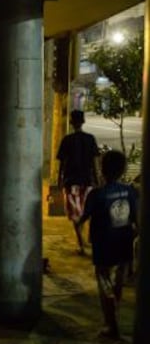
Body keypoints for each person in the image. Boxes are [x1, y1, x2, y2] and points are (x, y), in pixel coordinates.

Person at [77, 150, 138, 340]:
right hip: (124, 241)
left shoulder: (96, 194)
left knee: (103, 279)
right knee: (119, 278)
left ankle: (110, 323)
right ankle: (114, 316)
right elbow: (136, 219)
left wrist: (79, 229)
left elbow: (83, 218)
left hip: (104, 244)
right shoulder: (129, 191)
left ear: (102, 169)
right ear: (122, 170)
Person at [56, 109, 100, 255]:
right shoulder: (90, 139)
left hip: (71, 181)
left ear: (71, 122)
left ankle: (81, 243)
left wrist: (59, 180)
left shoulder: (66, 140)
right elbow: (95, 163)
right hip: (87, 181)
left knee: (75, 214)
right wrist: (97, 181)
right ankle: (83, 242)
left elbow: (62, 163)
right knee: (85, 211)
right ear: (83, 122)